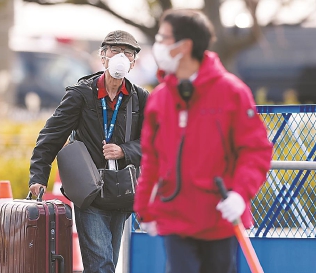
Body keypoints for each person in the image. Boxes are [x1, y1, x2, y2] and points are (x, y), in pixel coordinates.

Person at [133, 9, 273, 273]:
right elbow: (151, 158)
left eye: (162, 38)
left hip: (220, 217)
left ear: (183, 46)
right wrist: (143, 208)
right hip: (175, 215)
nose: (157, 46)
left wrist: (240, 195)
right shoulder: (160, 99)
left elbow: (256, 150)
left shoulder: (232, 92)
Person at [29, 30, 149, 273]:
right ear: (102, 56)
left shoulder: (140, 98)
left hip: (123, 192)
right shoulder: (81, 94)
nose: (121, 58)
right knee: (101, 265)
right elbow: (51, 136)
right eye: (115, 51)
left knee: (106, 264)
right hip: (90, 192)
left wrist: (125, 151)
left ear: (134, 62)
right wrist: (38, 176)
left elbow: (154, 142)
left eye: (128, 53)